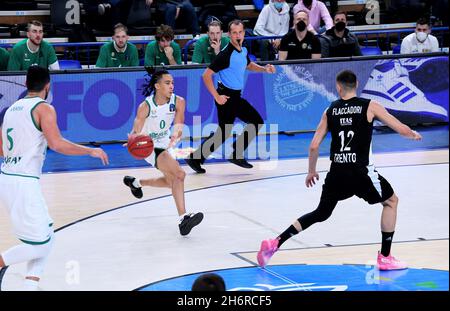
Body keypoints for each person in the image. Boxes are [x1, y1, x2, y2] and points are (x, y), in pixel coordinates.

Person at [257, 70, 422, 270]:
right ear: (357, 84)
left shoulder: (330, 110)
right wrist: (412, 134)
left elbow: (314, 146)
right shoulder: (370, 106)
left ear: (338, 87)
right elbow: (399, 127)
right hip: (361, 172)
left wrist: (311, 171)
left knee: (321, 213)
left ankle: (275, 243)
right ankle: (385, 257)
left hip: (337, 173)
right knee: (391, 201)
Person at [0, 66, 109, 290]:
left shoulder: (12, 109)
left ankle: (30, 285)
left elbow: (2, 149)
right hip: (24, 181)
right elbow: (57, 144)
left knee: (48, 235)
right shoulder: (44, 108)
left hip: (8, 177)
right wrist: (90, 151)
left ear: (26, 84)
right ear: (47, 85)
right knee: (40, 244)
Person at [184, 20, 276, 174]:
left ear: (244, 33)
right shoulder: (226, 54)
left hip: (235, 96)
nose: (238, 35)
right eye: (234, 33)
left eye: (240, 32)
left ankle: (196, 158)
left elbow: (248, 65)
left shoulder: (243, 50)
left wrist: (264, 69)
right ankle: (234, 153)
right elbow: (206, 75)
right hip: (226, 96)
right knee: (253, 122)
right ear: (229, 34)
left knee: (226, 131)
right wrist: (217, 96)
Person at [123, 68, 203, 236]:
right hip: (148, 145)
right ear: (157, 86)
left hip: (165, 142)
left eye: (172, 83)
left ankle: (137, 183)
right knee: (179, 175)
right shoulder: (146, 106)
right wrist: (133, 139)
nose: (171, 86)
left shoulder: (179, 101)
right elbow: (137, 128)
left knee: (171, 182)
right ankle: (183, 219)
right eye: (167, 83)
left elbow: (179, 123)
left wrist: (176, 133)